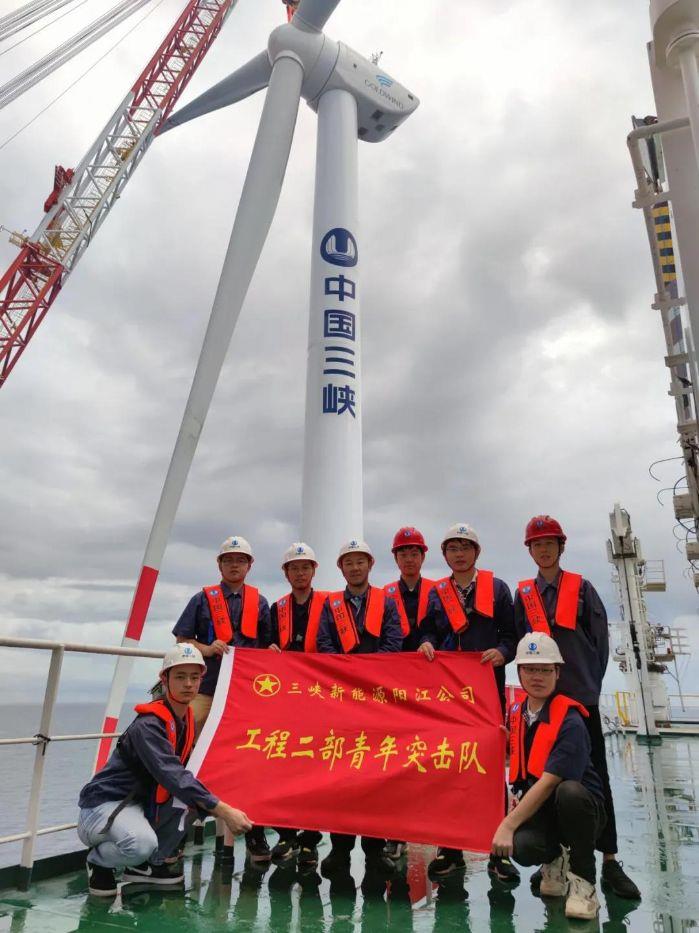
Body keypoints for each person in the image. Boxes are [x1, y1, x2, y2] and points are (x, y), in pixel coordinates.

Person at [513, 515, 640, 900]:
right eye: (537, 544)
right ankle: (554, 856)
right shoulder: (524, 595)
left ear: (561, 547)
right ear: (530, 550)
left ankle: (610, 860)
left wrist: (585, 684)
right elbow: (522, 642)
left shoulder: (582, 589)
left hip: (579, 700)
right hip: (542, 703)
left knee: (594, 778)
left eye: (550, 543)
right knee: (540, 775)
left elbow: (599, 645)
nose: (544, 549)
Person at [77, 644, 252, 897]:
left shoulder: (184, 720)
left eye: (194, 677)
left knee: (195, 800)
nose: (188, 684)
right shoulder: (148, 726)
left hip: (138, 805)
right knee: (140, 844)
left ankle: (147, 865)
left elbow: (191, 777)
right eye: (180, 677)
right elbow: (172, 775)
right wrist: (224, 811)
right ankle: (99, 861)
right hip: (103, 807)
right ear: (164, 678)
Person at [418, 522, 519, 882]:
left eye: (465, 547)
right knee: (449, 764)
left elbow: (512, 635)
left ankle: (499, 851)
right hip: (448, 692)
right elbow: (428, 629)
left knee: (489, 764)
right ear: (444, 555)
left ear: (477, 552)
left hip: (486, 689)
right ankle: (450, 848)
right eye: (452, 548)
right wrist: (427, 643)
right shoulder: (437, 593)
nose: (459, 554)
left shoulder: (498, 588)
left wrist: (503, 652)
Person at [491, 632, 607, 920]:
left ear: (557, 673)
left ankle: (584, 882)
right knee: (521, 846)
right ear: (519, 672)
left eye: (545, 670)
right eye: (530, 669)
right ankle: (555, 859)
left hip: (582, 811)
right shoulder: (518, 713)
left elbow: (549, 782)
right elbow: (515, 759)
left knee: (569, 793)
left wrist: (507, 824)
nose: (537, 677)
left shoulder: (570, 720)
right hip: (545, 810)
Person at [172, 534, 272, 863]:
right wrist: (206, 648)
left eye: (240, 560)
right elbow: (182, 640)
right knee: (186, 750)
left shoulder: (260, 603)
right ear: (219, 564)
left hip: (245, 696)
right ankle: (176, 827)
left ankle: (254, 833)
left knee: (250, 758)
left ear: (249, 565)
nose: (234, 565)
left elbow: (269, 646)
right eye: (229, 560)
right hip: (206, 688)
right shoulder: (202, 599)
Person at [316, 538, 403, 874]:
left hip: (377, 699)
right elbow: (324, 643)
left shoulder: (387, 603)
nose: (354, 568)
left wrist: (367, 674)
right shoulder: (331, 606)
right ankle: (340, 849)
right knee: (342, 774)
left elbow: (394, 643)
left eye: (360, 561)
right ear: (341, 568)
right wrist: (347, 674)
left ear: (370, 564)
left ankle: (374, 850)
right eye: (348, 562)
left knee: (376, 775)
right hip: (342, 699)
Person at [268, 542, 326, 869]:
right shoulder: (276, 609)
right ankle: (286, 833)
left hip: (319, 697)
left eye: (305, 567)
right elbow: (263, 646)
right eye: (294, 568)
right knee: (285, 763)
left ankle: (310, 840)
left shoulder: (330, 606)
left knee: (316, 767)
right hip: (287, 699)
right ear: (286, 573)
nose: (300, 573)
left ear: (314, 570)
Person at [382, 525, 435, 861]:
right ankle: (395, 832)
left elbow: (444, 631)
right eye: (403, 553)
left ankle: (439, 830)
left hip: (432, 688)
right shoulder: (385, 596)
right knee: (396, 758)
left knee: (435, 757)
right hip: (396, 689)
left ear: (423, 556)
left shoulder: (438, 593)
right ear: (396, 558)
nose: (409, 558)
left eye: (414, 552)